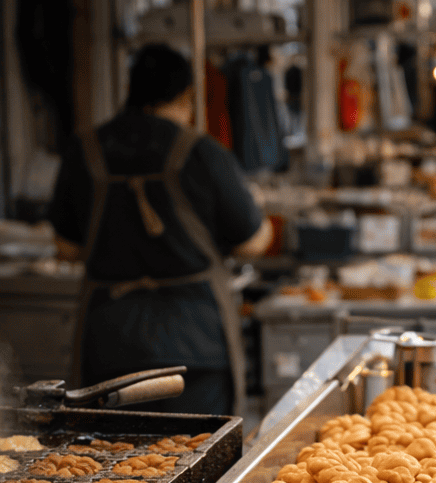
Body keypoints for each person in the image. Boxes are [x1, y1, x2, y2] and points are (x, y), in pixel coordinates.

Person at [50, 44, 272, 415]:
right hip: (194, 344)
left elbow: (66, 248)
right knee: (200, 456)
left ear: (131, 91)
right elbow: (251, 244)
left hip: (112, 341)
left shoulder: (84, 149)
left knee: (114, 462)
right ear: (187, 95)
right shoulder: (202, 152)